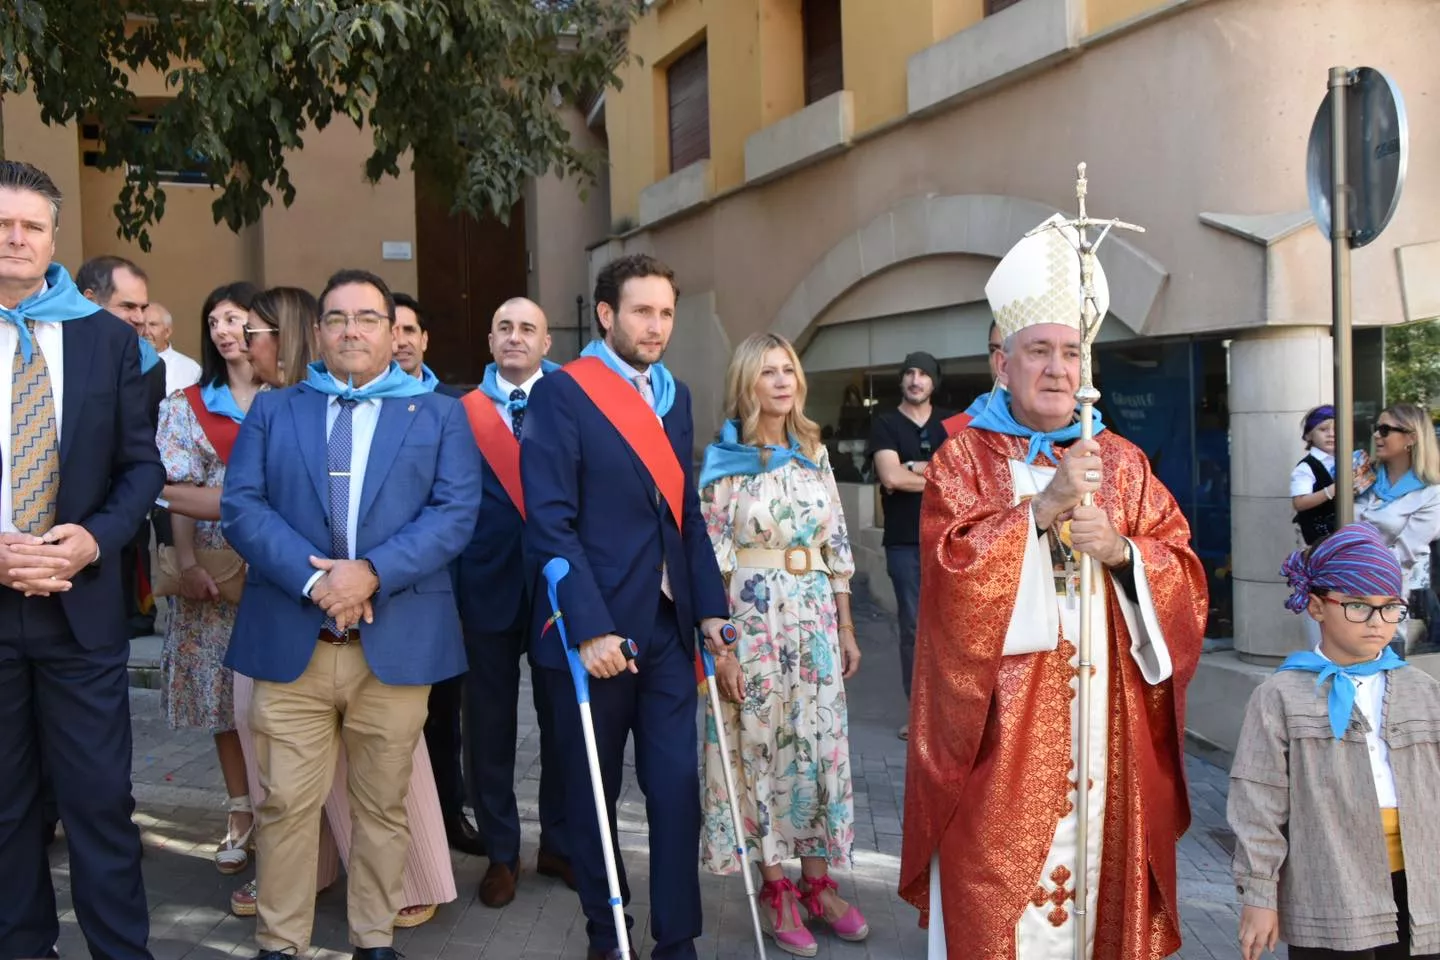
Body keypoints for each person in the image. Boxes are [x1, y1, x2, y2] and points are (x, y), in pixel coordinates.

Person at [898, 213, 1208, 959]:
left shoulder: (1123, 462)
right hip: (1003, 740)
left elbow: (1186, 577)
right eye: (1040, 352)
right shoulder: (963, 459)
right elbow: (950, 582)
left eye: (1071, 353)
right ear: (1001, 361)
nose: (1059, 369)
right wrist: (1040, 510)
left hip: (1109, 736)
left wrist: (1126, 554)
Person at [221, 269, 482, 960]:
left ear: (394, 331)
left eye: (368, 318)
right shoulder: (276, 411)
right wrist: (320, 586)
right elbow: (243, 507)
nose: (351, 331)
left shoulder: (438, 414)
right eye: (336, 319)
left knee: (381, 809)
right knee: (284, 808)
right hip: (292, 643)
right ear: (317, 332)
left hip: (395, 647)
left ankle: (372, 941)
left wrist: (373, 573)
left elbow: (455, 514)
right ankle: (281, 943)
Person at [522, 253, 730, 960]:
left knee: (676, 791)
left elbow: (686, 517)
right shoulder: (562, 395)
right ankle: (608, 932)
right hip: (595, 639)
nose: (657, 326)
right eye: (643, 311)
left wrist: (708, 607)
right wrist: (590, 628)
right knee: (593, 796)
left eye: (666, 313)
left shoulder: (676, 397)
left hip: (669, 635)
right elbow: (549, 521)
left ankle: (678, 940)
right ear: (607, 315)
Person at [0, 160, 165, 960]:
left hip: (81, 606)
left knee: (100, 804)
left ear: (56, 238)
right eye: (2, 223)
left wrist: (96, 535)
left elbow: (142, 469)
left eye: (31, 225)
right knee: (4, 809)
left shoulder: (107, 341)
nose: (15, 237)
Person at [698, 332, 867, 956]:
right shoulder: (724, 459)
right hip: (754, 619)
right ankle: (777, 891)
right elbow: (709, 559)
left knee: (817, 748)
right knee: (761, 748)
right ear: (748, 382)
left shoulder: (814, 451)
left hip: (816, 616)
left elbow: (838, 546)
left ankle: (819, 884)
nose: (781, 381)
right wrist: (718, 649)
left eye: (788, 370)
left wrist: (846, 626)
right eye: (768, 371)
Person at [1230, 523, 1440, 960]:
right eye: (1358, 606)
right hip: (1330, 885)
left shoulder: (1423, 690)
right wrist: (1259, 894)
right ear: (1316, 606)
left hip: (1423, 884)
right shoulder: (1280, 696)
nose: (1377, 622)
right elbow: (1259, 802)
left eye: (1390, 608)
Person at [455, 296, 571, 908]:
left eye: (528, 328)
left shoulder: (575, 401)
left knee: (565, 723)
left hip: (558, 585)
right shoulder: (460, 413)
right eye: (505, 327)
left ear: (546, 342)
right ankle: (502, 853)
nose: (516, 337)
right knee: (490, 726)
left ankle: (558, 842)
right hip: (485, 584)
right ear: (491, 338)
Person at [154, 281, 261, 876]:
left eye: (236, 318)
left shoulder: (291, 395)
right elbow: (174, 493)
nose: (223, 330)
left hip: (278, 568)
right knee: (223, 699)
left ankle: (288, 811)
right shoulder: (188, 403)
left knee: (279, 700)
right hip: (214, 570)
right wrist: (189, 563)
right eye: (214, 319)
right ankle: (241, 809)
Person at [390, 291, 485, 860]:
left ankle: (450, 815)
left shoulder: (458, 405)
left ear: (425, 340)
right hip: (382, 583)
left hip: (448, 584)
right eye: (391, 327)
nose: (400, 339)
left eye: (410, 330)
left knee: (445, 713)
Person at [77, 254, 166, 639]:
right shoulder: (51, 354)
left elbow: (140, 448)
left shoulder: (150, 364)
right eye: (127, 306)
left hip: (116, 522)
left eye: (143, 307)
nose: (139, 317)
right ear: (89, 299)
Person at [866, 350, 951, 739]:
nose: (916, 380)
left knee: (950, 625)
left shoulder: (951, 426)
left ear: (934, 382)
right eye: (910, 373)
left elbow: (964, 478)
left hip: (949, 539)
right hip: (903, 542)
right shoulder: (885, 423)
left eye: (923, 375)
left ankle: (949, 714)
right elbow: (892, 478)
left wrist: (917, 468)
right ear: (902, 380)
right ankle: (918, 714)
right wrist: (933, 473)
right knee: (914, 626)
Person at [1355, 403, 1440, 654]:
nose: (1376, 435)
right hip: (1339, 594)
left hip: (1382, 599)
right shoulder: (1363, 475)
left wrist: (1351, 563)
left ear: (1411, 438)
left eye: (1384, 429)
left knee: (1381, 681)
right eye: (1376, 428)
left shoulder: (1431, 493)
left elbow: (1403, 553)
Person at [943, 319, 1004, 435]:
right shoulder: (971, 417)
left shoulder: (1047, 422)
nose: (1000, 361)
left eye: (1010, 350)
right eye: (993, 350)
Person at [144, 302, 203, 394]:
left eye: (153, 325)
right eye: (141, 325)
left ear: (167, 332)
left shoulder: (190, 369)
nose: (146, 331)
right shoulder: (126, 363)